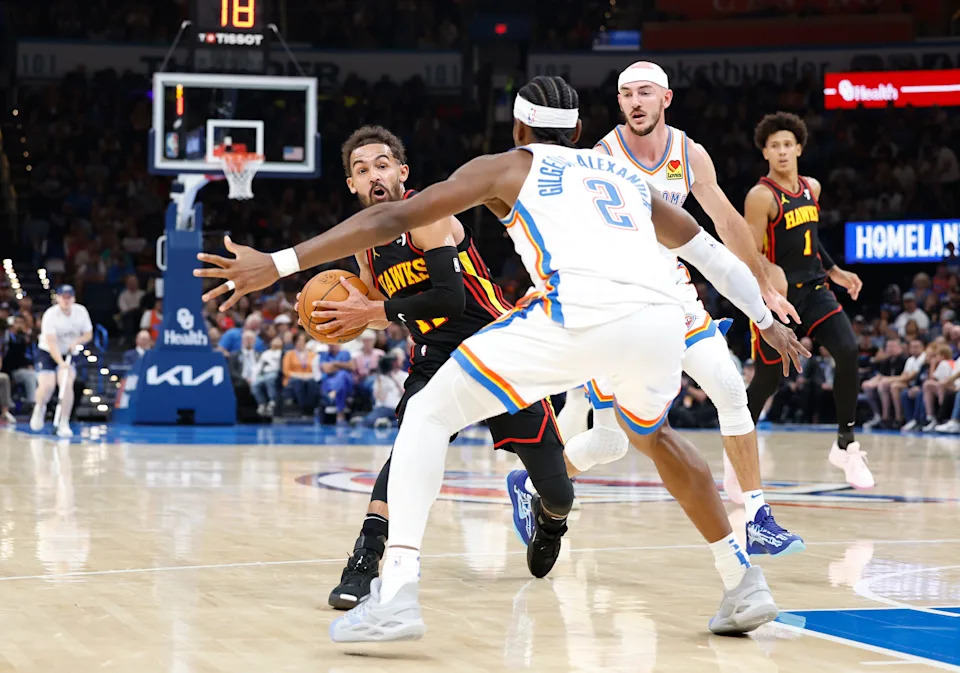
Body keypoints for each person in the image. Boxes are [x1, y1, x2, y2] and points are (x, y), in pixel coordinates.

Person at [196, 77, 807, 641]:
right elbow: (710, 254)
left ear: (519, 128)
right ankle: (742, 584)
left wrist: (275, 263)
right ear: (575, 130)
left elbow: (395, 215)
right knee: (658, 437)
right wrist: (764, 319)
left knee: (428, 416)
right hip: (657, 326)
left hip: (574, 315)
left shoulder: (508, 166)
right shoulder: (623, 177)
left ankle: (399, 595)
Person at [539, 61, 802, 555]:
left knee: (729, 387)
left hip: (675, 292)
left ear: (666, 99)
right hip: (620, 303)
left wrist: (764, 287)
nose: (635, 102)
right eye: (626, 95)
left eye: (645, 93)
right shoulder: (602, 156)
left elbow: (725, 222)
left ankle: (758, 516)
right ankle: (533, 485)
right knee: (609, 444)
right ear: (619, 104)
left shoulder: (690, 153)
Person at [308, 125, 570, 607]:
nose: (373, 176)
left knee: (560, 492)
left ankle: (548, 517)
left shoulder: (428, 214)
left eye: (382, 165)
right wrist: (340, 317)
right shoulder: (365, 245)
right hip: (434, 359)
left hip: (497, 351)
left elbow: (448, 299)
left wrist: (376, 313)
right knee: (406, 451)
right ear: (351, 185)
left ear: (402, 172)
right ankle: (366, 559)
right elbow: (376, 309)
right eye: (361, 170)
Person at [743, 111, 873, 489]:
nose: (782, 152)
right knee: (768, 381)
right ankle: (737, 451)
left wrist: (835, 271)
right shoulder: (761, 196)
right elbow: (749, 250)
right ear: (764, 153)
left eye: (787, 144)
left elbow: (811, 239)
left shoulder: (811, 187)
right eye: (774, 146)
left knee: (848, 351)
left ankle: (845, 445)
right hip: (778, 298)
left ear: (799, 148)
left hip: (814, 289)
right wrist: (768, 271)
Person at [29, 285, 92, 437]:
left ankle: (64, 421)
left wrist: (78, 341)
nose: (66, 300)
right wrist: (61, 363)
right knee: (48, 386)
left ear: (73, 298)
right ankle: (39, 408)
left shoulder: (81, 312)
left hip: (70, 352)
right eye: (63, 297)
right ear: (57, 298)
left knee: (66, 383)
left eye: (69, 297)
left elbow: (88, 334)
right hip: (48, 352)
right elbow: (51, 342)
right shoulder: (50, 315)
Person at [2, 312, 38, 408]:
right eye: (17, 322)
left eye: (22, 322)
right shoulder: (7, 337)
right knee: (30, 375)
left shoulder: (22, 337)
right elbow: (12, 356)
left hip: (22, 368)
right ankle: (32, 403)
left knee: (37, 374)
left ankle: (41, 403)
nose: (20, 325)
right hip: (11, 370)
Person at [251, 336, 284, 416]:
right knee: (255, 384)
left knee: (269, 379)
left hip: (276, 373)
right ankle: (262, 404)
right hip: (264, 374)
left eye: (278, 340)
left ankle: (272, 401)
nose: (276, 342)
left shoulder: (282, 353)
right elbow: (258, 366)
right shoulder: (265, 353)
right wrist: (253, 377)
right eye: (274, 340)